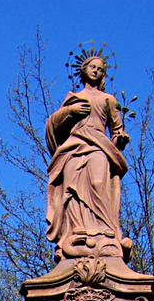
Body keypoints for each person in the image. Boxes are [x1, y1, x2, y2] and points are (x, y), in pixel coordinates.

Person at [45, 51, 131, 261]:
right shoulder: (73, 99)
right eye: (93, 66)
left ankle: (104, 233)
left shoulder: (108, 100)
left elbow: (117, 130)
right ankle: (77, 232)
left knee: (98, 183)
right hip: (74, 148)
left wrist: (120, 139)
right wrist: (70, 111)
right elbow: (52, 125)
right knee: (72, 191)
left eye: (101, 69)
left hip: (99, 148)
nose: (97, 70)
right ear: (82, 71)